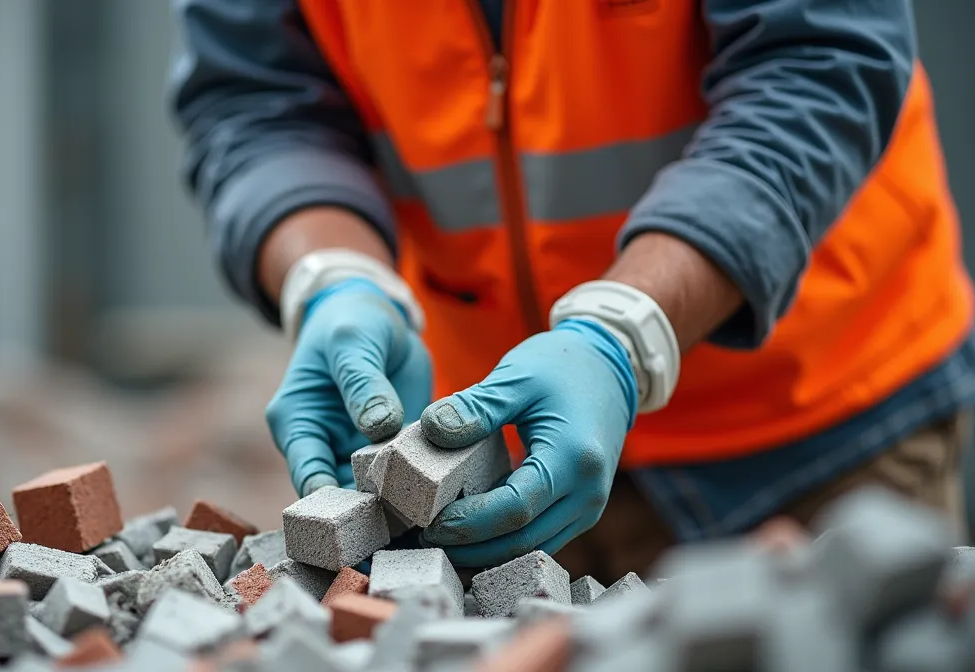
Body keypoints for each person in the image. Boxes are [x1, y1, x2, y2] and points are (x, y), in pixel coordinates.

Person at [170, 0, 974, 581]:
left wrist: (619, 333)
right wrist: (336, 276)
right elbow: (254, 97)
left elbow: (818, 69)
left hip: (814, 418)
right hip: (501, 435)